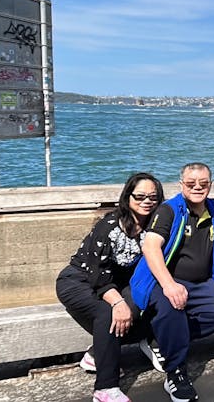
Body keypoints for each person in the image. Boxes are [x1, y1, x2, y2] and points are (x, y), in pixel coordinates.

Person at [56, 172, 163, 402]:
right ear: (127, 197)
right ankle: (105, 388)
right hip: (80, 280)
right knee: (109, 314)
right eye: (140, 196)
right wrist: (117, 302)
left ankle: (96, 354)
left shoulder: (154, 227)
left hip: (117, 282)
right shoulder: (110, 226)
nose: (146, 201)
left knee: (139, 306)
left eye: (153, 197)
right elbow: (97, 274)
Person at [129, 163, 214, 402]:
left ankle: (160, 339)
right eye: (191, 183)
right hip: (164, 279)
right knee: (172, 309)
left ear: (210, 185)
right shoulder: (169, 210)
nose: (197, 188)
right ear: (181, 185)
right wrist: (169, 285)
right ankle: (175, 372)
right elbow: (150, 247)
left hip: (200, 282)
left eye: (203, 183)